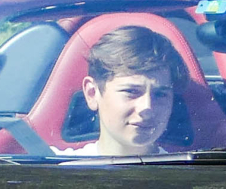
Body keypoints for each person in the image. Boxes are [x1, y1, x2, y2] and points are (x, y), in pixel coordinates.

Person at [61, 26, 186, 156]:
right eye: (131, 92)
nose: (147, 108)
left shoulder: (191, 173)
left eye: (160, 95)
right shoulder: (52, 170)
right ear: (92, 93)